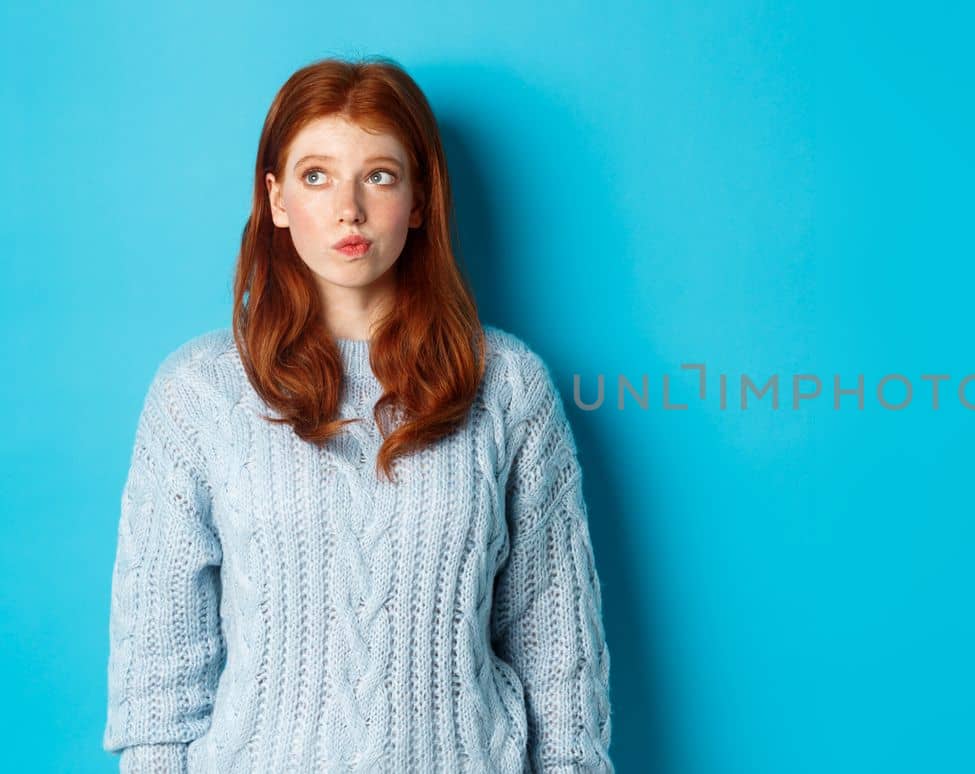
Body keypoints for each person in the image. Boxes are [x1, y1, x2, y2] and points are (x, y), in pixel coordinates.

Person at [101, 56, 613, 773]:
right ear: (276, 199)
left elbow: (559, 659)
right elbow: (159, 675)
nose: (350, 209)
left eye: (379, 174)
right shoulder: (199, 393)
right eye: (317, 176)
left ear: (421, 198)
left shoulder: (507, 387)